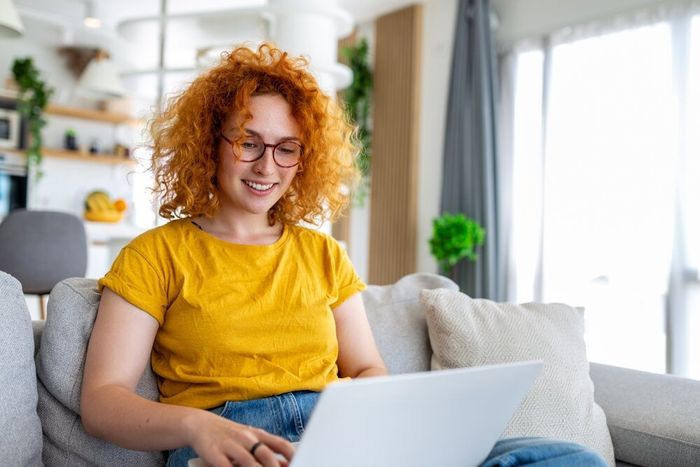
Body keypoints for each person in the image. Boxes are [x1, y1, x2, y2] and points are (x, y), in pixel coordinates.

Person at [81, 43, 607, 467]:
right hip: (230, 445)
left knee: (566, 457)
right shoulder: (155, 254)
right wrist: (197, 425)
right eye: (248, 142)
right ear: (210, 143)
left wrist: (372, 423)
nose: (268, 166)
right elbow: (102, 400)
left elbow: (367, 368)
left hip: (340, 438)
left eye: (287, 147)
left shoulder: (323, 253)